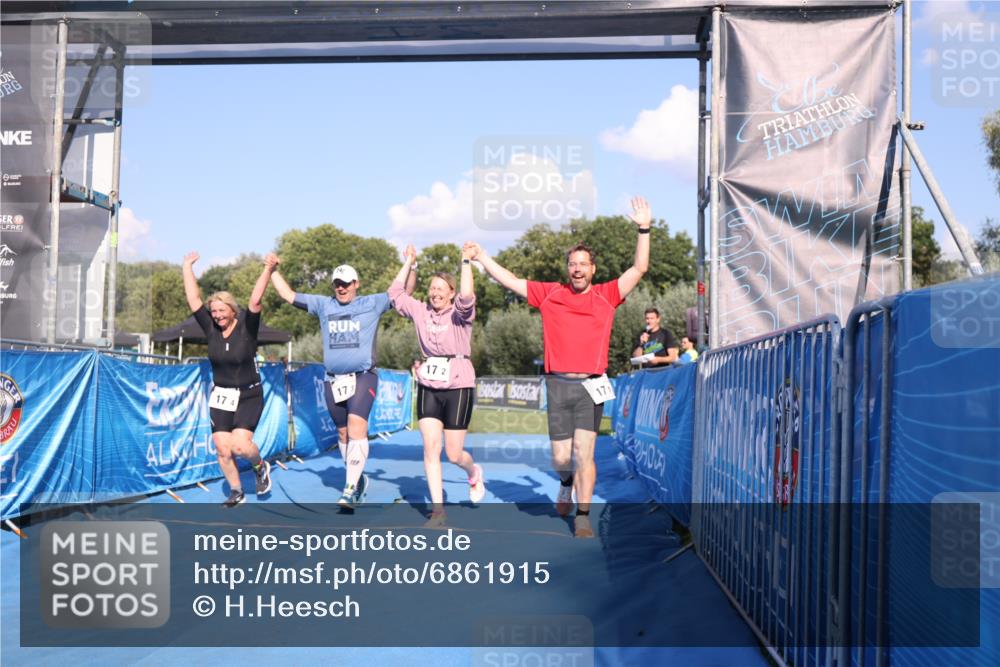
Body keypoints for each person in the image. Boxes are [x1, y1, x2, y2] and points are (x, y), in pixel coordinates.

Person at [465, 196, 652, 538]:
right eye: (572, 264)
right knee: (561, 458)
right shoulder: (550, 294)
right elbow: (510, 281)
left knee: (585, 453)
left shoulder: (607, 295)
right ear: (567, 269)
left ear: (593, 269)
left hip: (591, 386)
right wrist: (483, 257)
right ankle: (565, 482)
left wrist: (644, 228)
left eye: (583, 264)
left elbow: (639, 268)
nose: (577, 269)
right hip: (558, 385)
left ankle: (583, 516)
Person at [266, 253, 413, 509]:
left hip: (363, 376)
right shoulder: (324, 305)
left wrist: (411, 263)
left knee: (356, 427)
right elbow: (288, 295)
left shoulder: (371, 303)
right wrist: (272, 270)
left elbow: (403, 292)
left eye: (346, 283)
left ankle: (349, 489)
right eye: (337, 284)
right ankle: (357, 480)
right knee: (343, 434)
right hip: (333, 380)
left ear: (356, 283)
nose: (341, 288)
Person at [389, 243, 485, 527]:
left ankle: (473, 472)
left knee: (453, 454)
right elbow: (395, 294)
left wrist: (465, 262)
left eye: (442, 288)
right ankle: (438, 512)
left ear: (451, 293)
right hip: (429, 384)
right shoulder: (420, 311)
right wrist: (410, 263)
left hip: (458, 385)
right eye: (432, 288)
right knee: (430, 449)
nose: (435, 292)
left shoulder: (460, 314)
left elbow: (467, 296)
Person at [182, 251, 273, 508]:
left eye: (222, 310)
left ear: (233, 311)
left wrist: (267, 270)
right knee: (222, 448)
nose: (217, 315)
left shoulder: (247, 327)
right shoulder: (211, 329)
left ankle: (260, 466)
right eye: (214, 311)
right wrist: (187, 267)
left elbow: (255, 299)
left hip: (249, 395)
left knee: (240, 447)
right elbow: (193, 299)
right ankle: (236, 491)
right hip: (222, 395)